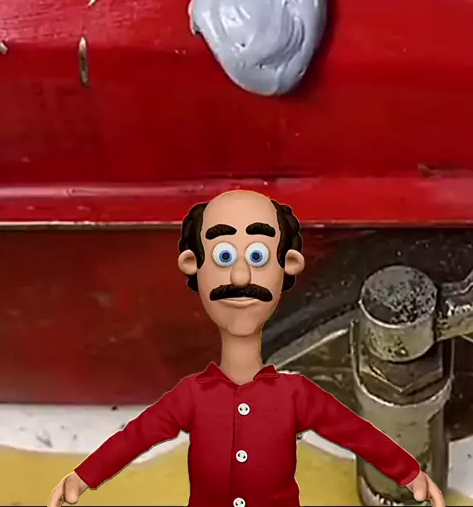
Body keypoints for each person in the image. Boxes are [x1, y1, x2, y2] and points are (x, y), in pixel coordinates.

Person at [48, 190, 445, 507]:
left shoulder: (296, 394)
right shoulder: (193, 396)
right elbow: (136, 437)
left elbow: (357, 434)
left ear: (289, 265)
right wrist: (84, 477)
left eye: (257, 255)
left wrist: (409, 474)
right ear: (193, 266)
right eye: (224, 256)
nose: (240, 275)